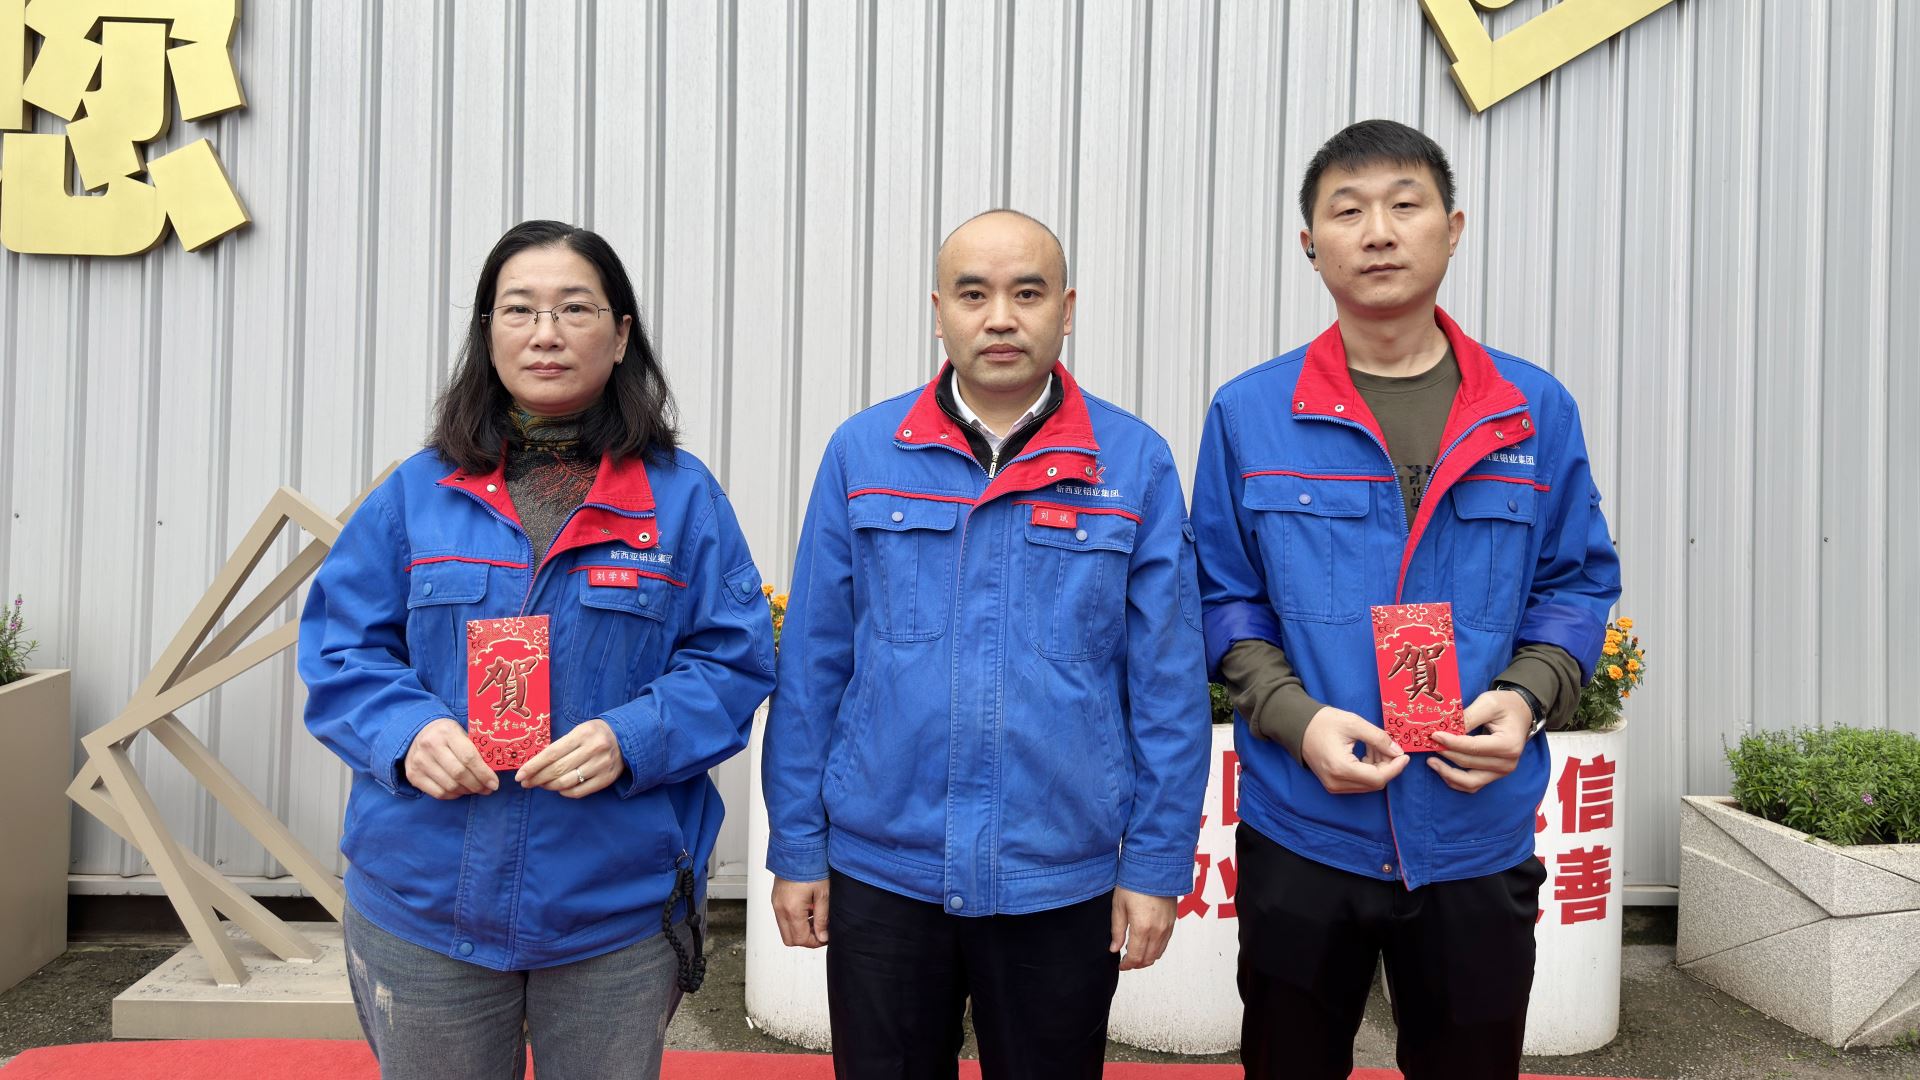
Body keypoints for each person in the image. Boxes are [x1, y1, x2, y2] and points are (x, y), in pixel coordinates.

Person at [1189, 120, 1622, 1078]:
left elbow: (1576, 582)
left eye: (1405, 204)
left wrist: (1526, 696)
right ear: (1311, 244)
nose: (1378, 231)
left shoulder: (1530, 410)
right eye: (1348, 211)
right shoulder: (1251, 413)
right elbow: (1223, 598)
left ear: (1452, 229)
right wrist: (1296, 718)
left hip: (1475, 833)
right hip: (1306, 829)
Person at [299, 220, 775, 1080]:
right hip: (425, 902)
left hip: (614, 909)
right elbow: (342, 650)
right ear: (488, 333)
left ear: (620, 335)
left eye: (574, 309)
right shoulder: (416, 493)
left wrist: (634, 737)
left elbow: (733, 662)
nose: (545, 333)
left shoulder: (683, 501)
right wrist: (407, 732)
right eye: (519, 309)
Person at [762, 209, 1209, 1078]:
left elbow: (1168, 686)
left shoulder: (1134, 463)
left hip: (1060, 877)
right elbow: (813, 664)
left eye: (1027, 294)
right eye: (974, 295)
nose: (1000, 318)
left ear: (1066, 310)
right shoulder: (864, 454)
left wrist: (1155, 864)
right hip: (885, 871)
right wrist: (797, 847)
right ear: (940, 312)